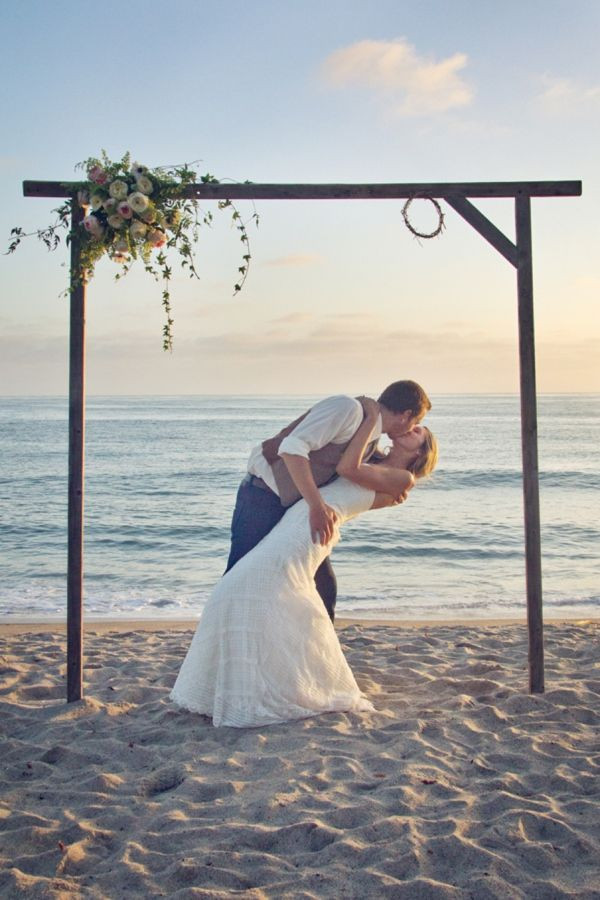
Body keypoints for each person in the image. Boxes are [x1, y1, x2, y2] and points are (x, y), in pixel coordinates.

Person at [170, 399, 438, 727]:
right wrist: (369, 425)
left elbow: (346, 470)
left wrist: (370, 418)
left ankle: (275, 678)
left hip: (310, 527)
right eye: (414, 423)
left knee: (246, 588)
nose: (412, 428)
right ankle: (250, 676)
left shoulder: (401, 481)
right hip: (299, 518)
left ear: (422, 451)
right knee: (253, 590)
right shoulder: (373, 453)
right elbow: (337, 460)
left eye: (419, 431)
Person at [225, 380, 431, 622]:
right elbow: (292, 447)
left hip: (297, 511)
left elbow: (357, 475)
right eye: (416, 422)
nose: (413, 428)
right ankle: (221, 641)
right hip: (263, 495)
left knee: (323, 587)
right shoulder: (348, 409)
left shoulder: (370, 437)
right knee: (237, 576)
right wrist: (317, 506)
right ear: (406, 415)